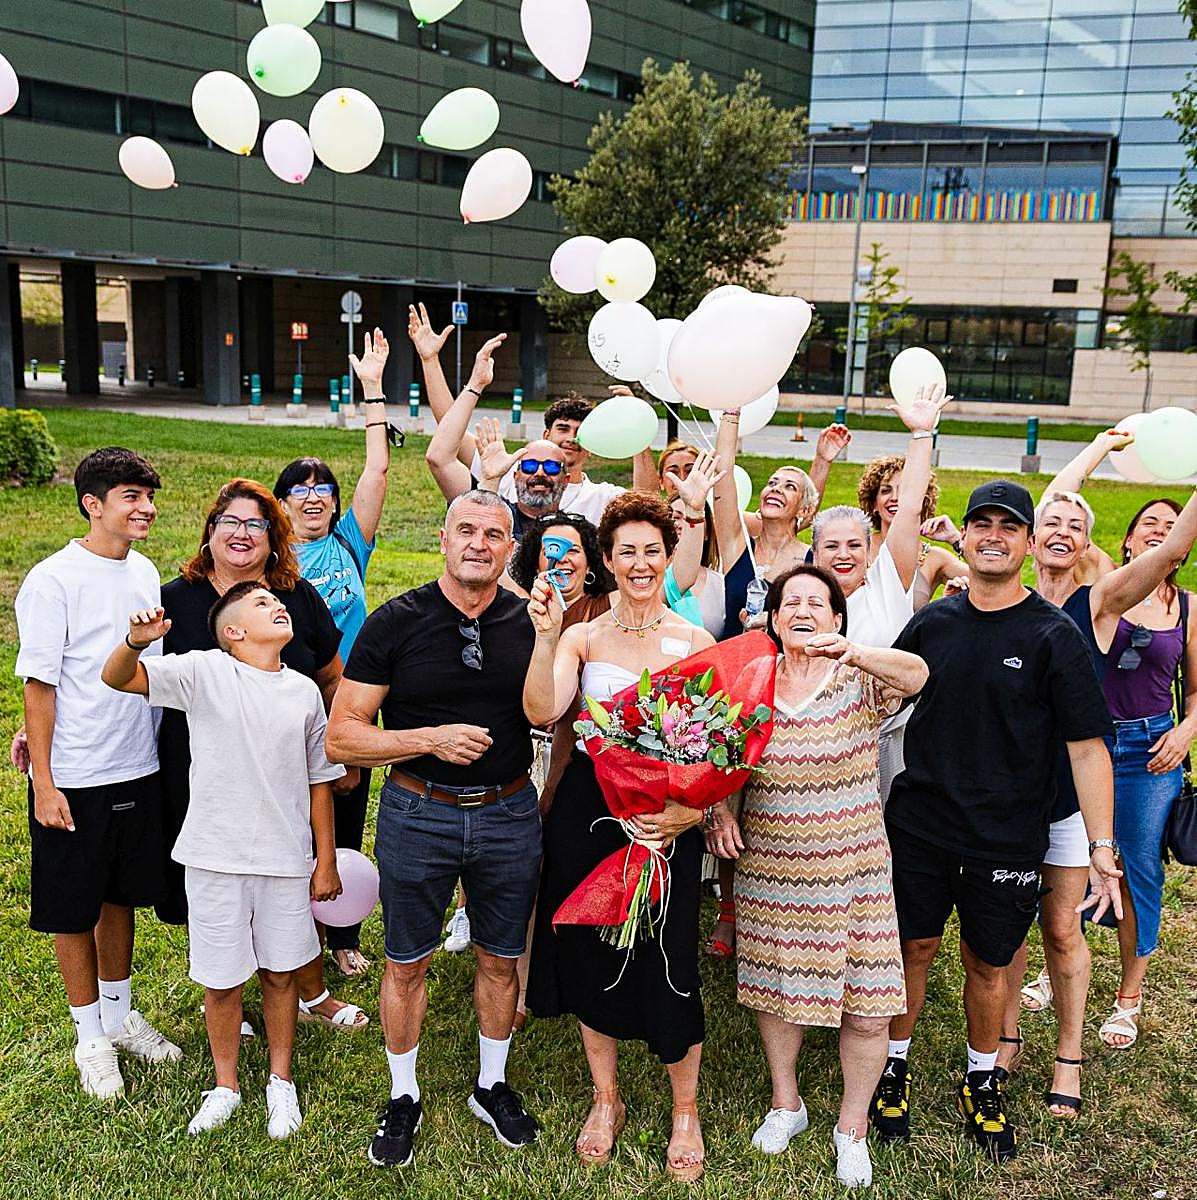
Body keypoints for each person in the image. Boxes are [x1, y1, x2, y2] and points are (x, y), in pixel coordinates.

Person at [872, 479, 1122, 1164]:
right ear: (966, 537)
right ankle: (892, 1065)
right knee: (911, 951)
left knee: (988, 961)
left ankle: (981, 1079)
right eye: (980, 524)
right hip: (919, 823)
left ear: (1028, 541)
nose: (991, 535)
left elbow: (1085, 745)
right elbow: (884, 688)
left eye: (1007, 526)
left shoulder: (1052, 634)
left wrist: (1100, 847)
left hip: (1006, 833)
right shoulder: (933, 622)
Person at [325, 490, 543, 1168]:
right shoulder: (396, 621)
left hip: (509, 810)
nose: (479, 543)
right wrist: (428, 739)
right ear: (441, 540)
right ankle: (403, 1094)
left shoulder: (532, 622)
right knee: (406, 959)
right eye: (466, 531)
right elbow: (342, 736)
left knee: (500, 958)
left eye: (495, 534)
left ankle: (490, 1083)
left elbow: (557, 707)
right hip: (419, 810)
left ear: (511, 549)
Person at [706, 564, 926, 1187]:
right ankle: (788, 1105)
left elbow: (919, 675)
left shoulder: (860, 676)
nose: (803, 609)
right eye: (790, 601)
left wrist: (856, 651)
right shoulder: (750, 679)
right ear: (773, 619)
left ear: (836, 617)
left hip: (853, 871)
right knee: (777, 996)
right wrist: (719, 807)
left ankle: (851, 1128)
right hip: (771, 870)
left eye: (817, 602)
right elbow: (717, 761)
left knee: (869, 1007)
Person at [101, 584, 345, 1138]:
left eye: (275, 602)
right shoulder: (205, 672)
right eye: (260, 605)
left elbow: (319, 782)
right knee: (222, 981)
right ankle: (225, 1084)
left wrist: (324, 858)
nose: (276, 606)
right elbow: (118, 678)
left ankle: (280, 1083)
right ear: (232, 633)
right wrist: (134, 643)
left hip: (285, 860)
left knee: (281, 975)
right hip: (214, 858)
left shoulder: (305, 691)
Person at [523, 491, 716, 1182]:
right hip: (590, 817)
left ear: (668, 558)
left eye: (651, 551)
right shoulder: (582, 636)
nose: (639, 563)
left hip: (667, 822)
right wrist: (546, 638)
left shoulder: (696, 643)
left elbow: (719, 748)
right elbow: (544, 712)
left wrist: (689, 814)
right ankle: (606, 1099)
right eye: (625, 551)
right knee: (587, 953)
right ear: (605, 561)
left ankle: (683, 1110)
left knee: (670, 958)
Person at [998, 484, 1197, 1114]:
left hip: (1073, 790)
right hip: (1008, 790)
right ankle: (1004, 1037)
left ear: (1088, 546)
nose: (1060, 531)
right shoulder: (1001, 596)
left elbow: (1166, 557)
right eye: (1048, 522)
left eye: (1074, 525)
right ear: (1030, 540)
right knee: (1003, 927)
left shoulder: (1099, 603)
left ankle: (1069, 1056)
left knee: (1062, 927)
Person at [157, 478, 367, 1034]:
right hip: (201, 764)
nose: (242, 533)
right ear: (209, 533)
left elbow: (331, 674)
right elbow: (133, 675)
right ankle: (233, 991)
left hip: (287, 763)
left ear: (275, 540)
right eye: (230, 522)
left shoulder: (295, 597)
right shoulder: (175, 598)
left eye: (257, 524)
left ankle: (310, 990)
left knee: (291, 880)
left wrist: (344, 743)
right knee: (221, 879)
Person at [14, 447, 181, 1099]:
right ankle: (89, 1035)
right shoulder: (53, 579)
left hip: (137, 765)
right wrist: (47, 782)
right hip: (76, 777)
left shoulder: (144, 571)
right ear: (93, 504)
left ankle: (120, 1016)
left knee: (120, 898)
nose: (146, 508)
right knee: (72, 908)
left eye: (149, 497)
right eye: (131, 498)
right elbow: (41, 683)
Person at [272, 326, 392, 979]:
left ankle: (341, 932)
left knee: (344, 815)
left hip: (348, 703)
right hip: (286, 707)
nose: (314, 496)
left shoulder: (350, 543)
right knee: (289, 820)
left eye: (323, 488)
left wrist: (372, 391)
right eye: (300, 488)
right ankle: (291, 932)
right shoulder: (265, 559)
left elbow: (377, 468)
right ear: (280, 505)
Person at [413, 302, 654, 525]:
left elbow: (648, 501)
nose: (571, 437)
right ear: (546, 434)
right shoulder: (506, 474)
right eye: (563, 428)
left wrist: (637, 429)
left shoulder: (602, 497)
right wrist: (430, 359)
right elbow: (448, 432)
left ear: (591, 447)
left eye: (581, 432)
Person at [856, 455, 967, 609]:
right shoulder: (856, 547)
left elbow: (998, 585)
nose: (894, 497)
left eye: (904, 490)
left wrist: (957, 541)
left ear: (921, 500)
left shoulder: (935, 558)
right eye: (885, 490)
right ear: (874, 503)